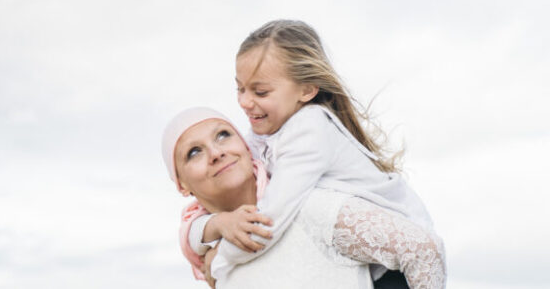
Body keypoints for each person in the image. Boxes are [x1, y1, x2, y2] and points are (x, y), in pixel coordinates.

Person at [179, 20, 446, 287]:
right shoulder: (265, 134)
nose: (245, 102)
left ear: (306, 90)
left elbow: (270, 221)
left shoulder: (310, 129)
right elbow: (193, 220)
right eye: (240, 88)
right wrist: (216, 225)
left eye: (260, 92)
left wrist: (221, 259)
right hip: (364, 261)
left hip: (399, 266)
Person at [162, 107, 446, 289]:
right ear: (182, 185)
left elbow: (422, 249)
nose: (216, 153)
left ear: (248, 148)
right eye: (194, 152)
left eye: (223, 135)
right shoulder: (214, 263)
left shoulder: (309, 207)